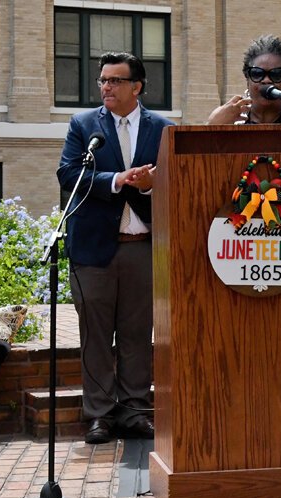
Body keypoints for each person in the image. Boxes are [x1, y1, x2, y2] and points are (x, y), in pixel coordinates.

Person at [57, 52, 172, 445]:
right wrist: (119, 179)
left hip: (143, 247)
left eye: (115, 81)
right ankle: (100, 416)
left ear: (136, 87)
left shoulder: (163, 129)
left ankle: (136, 411)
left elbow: (178, 180)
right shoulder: (84, 125)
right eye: (103, 80)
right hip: (93, 249)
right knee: (95, 335)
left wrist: (150, 184)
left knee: (138, 335)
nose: (106, 87)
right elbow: (69, 173)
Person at [207, 34, 281, 125]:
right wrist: (212, 126)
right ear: (248, 80)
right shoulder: (230, 121)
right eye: (257, 73)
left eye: (276, 74)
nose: (266, 80)